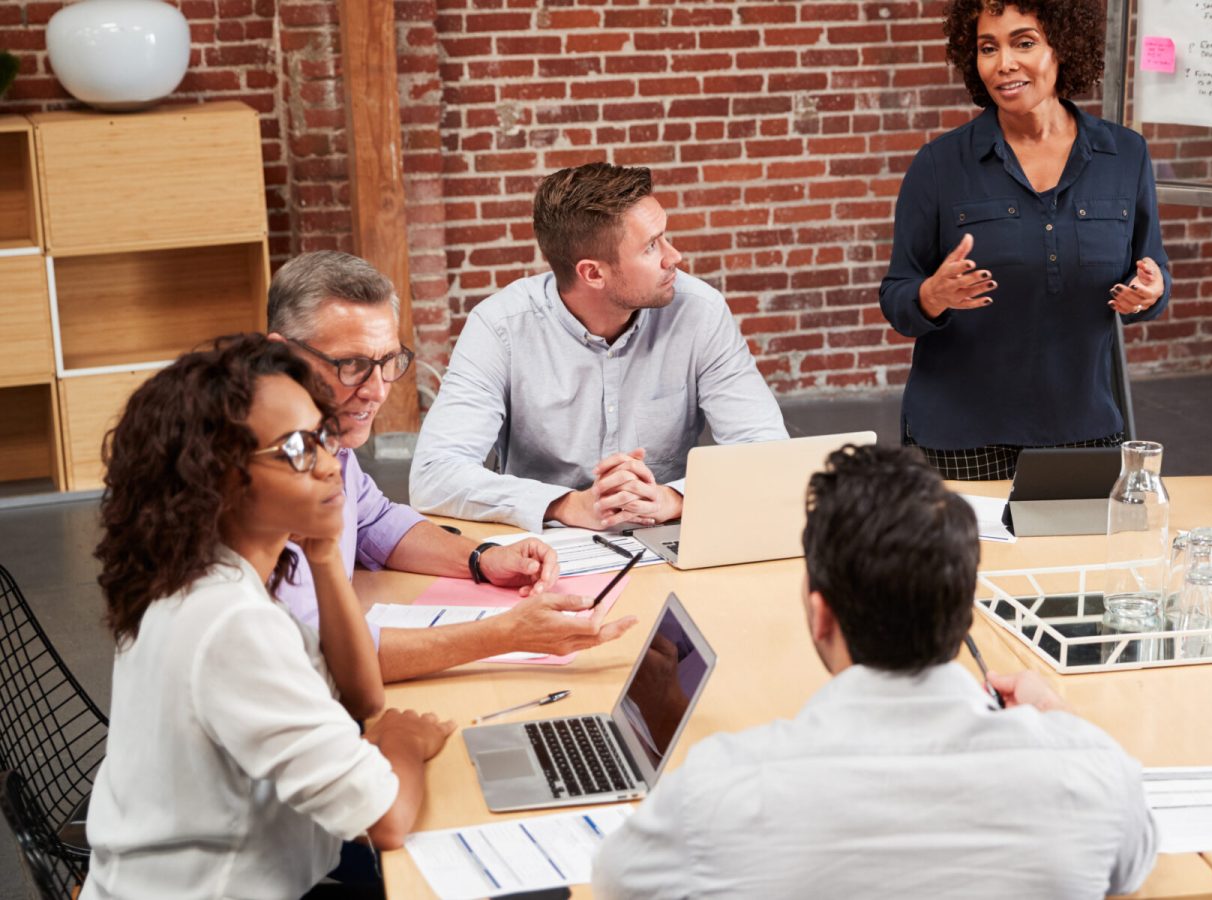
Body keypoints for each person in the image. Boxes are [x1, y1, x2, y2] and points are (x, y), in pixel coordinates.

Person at [592, 444, 1157, 896]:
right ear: (965, 611)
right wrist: (1063, 722)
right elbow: (1131, 863)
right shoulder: (1093, 775)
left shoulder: (719, 790)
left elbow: (615, 882)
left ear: (821, 615)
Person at [83, 335, 455, 897]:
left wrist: (326, 553)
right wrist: (404, 741)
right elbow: (385, 821)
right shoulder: (231, 621)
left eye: (323, 438)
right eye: (298, 449)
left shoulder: (202, 574)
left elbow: (360, 701)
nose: (331, 465)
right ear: (217, 478)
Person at [268, 251, 636, 682]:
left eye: (388, 363)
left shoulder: (326, 438)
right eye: (352, 366)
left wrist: (483, 558)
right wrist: (505, 634)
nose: (376, 391)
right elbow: (320, 657)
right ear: (280, 356)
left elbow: (375, 521)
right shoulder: (267, 479)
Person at [878, 0, 1171, 480]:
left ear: (1063, 47)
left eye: (1024, 42)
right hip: (960, 433)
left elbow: (1151, 273)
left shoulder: (1124, 155)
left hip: (1085, 426)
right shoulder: (938, 166)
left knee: (1087, 557)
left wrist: (1149, 293)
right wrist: (931, 295)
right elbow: (896, 297)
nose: (1004, 63)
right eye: (987, 48)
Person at [411, 162, 788, 532]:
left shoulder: (698, 311)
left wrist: (675, 499)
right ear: (593, 273)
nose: (674, 257)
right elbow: (434, 475)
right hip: (545, 541)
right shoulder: (500, 327)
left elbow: (768, 453)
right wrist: (568, 505)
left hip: (665, 533)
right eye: (651, 246)